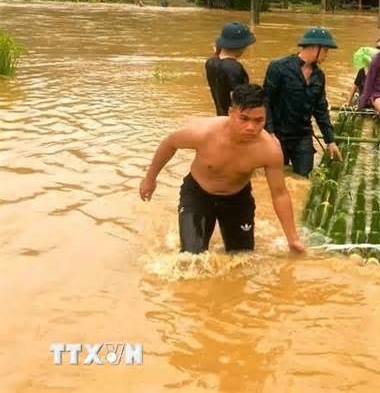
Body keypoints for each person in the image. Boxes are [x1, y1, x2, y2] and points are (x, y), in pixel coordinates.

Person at [138, 84, 305, 254]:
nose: (251, 127)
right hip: (198, 193)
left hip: (237, 198)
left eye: (258, 120)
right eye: (244, 118)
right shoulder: (204, 133)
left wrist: (293, 239)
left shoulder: (269, 150)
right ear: (231, 112)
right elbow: (169, 143)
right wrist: (150, 179)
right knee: (191, 257)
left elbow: (279, 193)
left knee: (241, 258)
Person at [263, 27, 342, 177]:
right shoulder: (279, 68)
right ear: (314, 48)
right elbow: (266, 101)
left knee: (303, 178)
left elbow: (321, 110)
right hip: (278, 135)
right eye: (325, 50)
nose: (327, 55)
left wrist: (330, 141)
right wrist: (270, 133)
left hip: (302, 136)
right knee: (276, 176)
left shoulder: (319, 76)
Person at [205, 22, 255, 116]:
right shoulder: (234, 68)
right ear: (242, 46)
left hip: (220, 116)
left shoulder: (211, 62)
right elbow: (241, 99)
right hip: (234, 119)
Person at [346, 36, 380, 105]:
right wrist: (348, 102)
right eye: (377, 48)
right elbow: (355, 85)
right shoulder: (364, 68)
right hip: (365, 99)